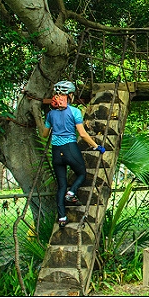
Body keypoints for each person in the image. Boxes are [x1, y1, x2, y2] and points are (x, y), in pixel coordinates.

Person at [40, 80, 105, 228]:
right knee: (82, 173)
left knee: (61, 185)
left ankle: (62, 218)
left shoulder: (50, 114)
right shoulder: (74, 111)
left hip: (56, 151)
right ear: (69, 96)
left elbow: (44, 134)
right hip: (69, 147)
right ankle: (72, 193)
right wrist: (97, 146)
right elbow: (82, 134)